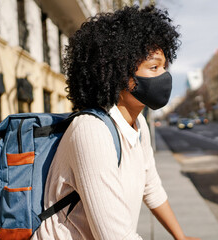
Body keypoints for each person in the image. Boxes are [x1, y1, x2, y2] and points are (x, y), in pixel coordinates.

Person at [32, 5, 200, 240]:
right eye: (154, 67)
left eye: (164, 66)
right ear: (120, 74)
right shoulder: (91, 131)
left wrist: (180, 237)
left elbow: (151, 187)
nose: (164, 76)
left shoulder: (137, 123)